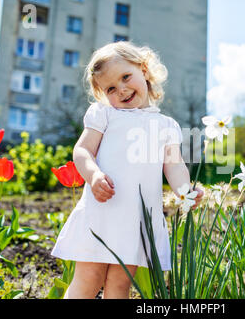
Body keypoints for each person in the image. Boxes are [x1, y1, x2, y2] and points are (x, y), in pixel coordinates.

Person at [51, 41, 204, 299]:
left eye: (125, 77)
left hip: (137, 219)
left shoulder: (167, 126)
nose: (121, 90)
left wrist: (185, 191)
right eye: (110, 88)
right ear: (102, 94)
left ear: (143, 69)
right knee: (89, 279)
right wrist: (94, 175)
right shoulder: (105, 114)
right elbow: (82, 150)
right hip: (101, 211)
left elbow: (175, 166)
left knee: (120, 286)